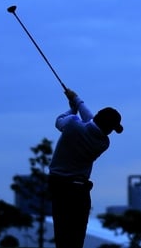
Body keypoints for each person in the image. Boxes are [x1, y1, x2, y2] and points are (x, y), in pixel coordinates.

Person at [48, 88, 123, 248]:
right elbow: (91, 122)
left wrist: (74, 107)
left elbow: (60, 120)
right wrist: (76, 100)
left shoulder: (72, 125)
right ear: (109, 129)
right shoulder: (103, 143)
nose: (110, 132)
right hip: (80, 194)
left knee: (62, 237)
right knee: (76, 240)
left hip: (59, 188)